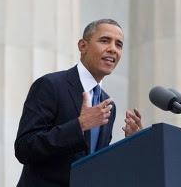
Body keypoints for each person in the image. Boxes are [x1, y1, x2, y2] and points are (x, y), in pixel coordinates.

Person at [14, 19, 143, 187]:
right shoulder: (50, 85)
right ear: (83, 46)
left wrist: (131, 144)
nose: (113, 49)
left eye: (119, 45)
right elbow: (25, 148)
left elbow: (97, 165)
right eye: (105, 40)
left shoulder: (108, 104)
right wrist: (79, 125)